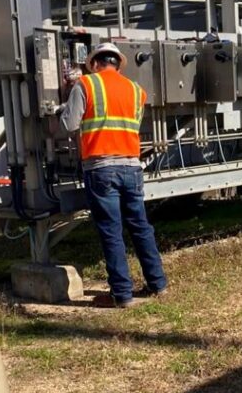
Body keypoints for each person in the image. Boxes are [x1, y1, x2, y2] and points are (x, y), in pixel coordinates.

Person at [59, 42, 168, 308]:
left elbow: (69, 124)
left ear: (94, 63)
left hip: (101, 168)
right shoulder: (136, 90)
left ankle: (122, 295)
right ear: (118, 64)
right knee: (140, 226)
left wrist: (64, 106)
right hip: (132, 167)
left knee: (111, 231)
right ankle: (158, 284)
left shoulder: (85, 85)